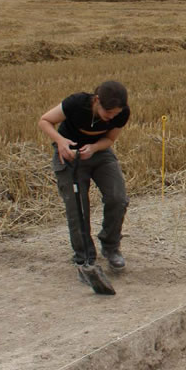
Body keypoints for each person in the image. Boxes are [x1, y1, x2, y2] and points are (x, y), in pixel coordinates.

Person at [39, 81, 130, 269]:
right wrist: (60, 141)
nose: (111, 118)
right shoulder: (76, 103)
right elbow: (45, 121)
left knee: (117, 198)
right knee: (77, 207)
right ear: (96, 101)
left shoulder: (122, 114)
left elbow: (109, 139)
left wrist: (95, 147)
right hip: (69, 155)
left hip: (99, 154)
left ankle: (111, 246)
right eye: (108, 113)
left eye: (116, 114)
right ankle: (84, 256)